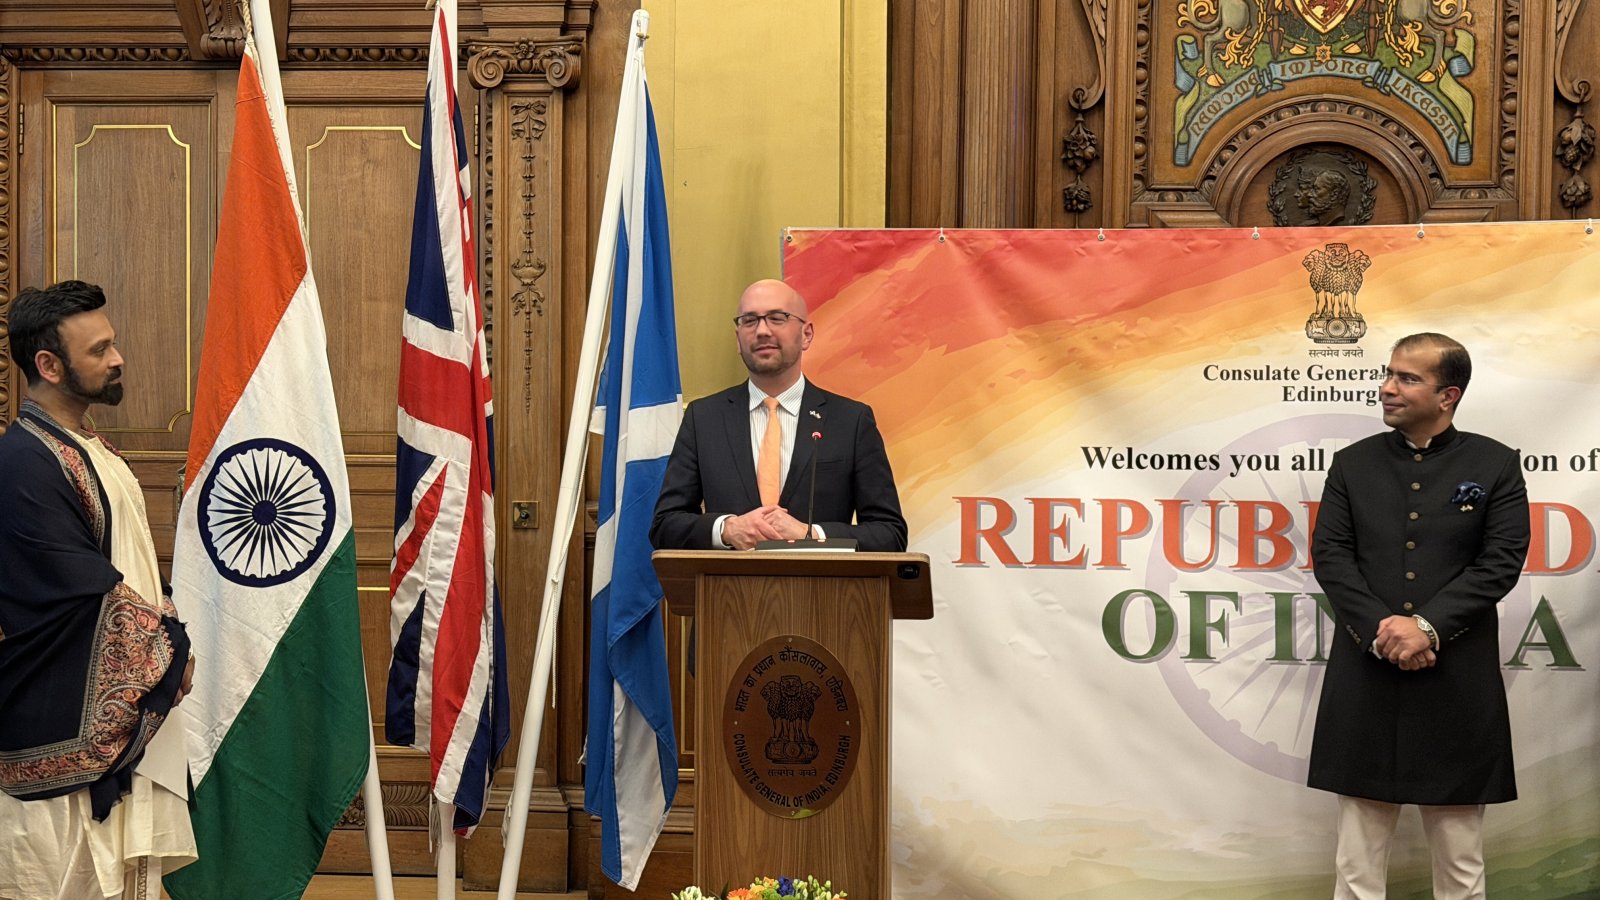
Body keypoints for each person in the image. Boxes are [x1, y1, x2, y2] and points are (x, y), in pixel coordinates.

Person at [1308, 333, 1529, 900]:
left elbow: (1499, 563)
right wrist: (1387, 634)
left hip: (1456, 675)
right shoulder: (1351, 464)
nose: (1387, 388)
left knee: (1460, 861)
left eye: (1407, 378)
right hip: (1367, 670)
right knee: (1356, 865)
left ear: (1448, 394)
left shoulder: (1495, 464)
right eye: (1388, 374)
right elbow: (1332, 557)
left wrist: (1425, 627)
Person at [0, 281, 197, 899]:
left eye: (113, 344)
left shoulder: (91, 449)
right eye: (99, 350)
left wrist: (165, 624)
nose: (117, 360)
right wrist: (169, 649)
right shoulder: (24, 462)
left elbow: (129, 566)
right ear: (49, 366)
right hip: (57, 722)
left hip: (117, 716)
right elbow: (76, 591)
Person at [650, 278, 907, 553]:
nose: (762, 331)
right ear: (738, 339)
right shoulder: (704, 419)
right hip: (728, 593)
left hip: (822, 593)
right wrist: (726, 530)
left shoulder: (851, 421)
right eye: (749, 320)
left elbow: (889, 533)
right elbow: (666, 526)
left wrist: (812, 535)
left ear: (806, 334)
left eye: (777, 318)